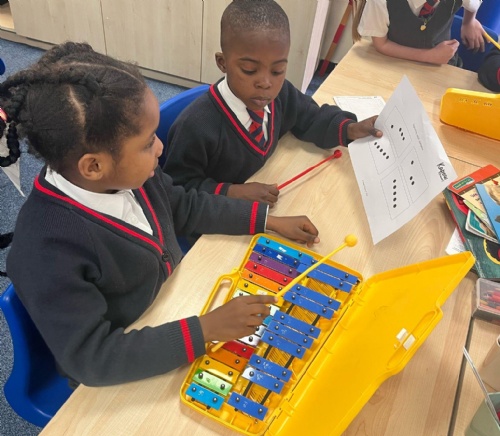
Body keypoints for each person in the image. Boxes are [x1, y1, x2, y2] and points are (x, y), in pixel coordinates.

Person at [1, 41, 321, 387]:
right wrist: (206, 330)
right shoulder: (45, 252)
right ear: (93, 166)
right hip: (128, 362)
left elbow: (183, 205)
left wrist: (265, 220)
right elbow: (92, 358)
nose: (160, 147)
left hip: (173, 305)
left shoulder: (132, 176)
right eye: (147, 143)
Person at [163, 0, 382, 207]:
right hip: (218, 219)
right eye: (249, 70)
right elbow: (178, 192)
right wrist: (232, 192)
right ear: (222, 63)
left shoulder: (281, 94)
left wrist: (349, 129)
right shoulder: (195, 126)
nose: (266, 83)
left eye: (277, 71)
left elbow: (309, 116)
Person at [352, 0, 484, 66]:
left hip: (439, 71)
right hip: (394, 63)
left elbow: (473, 4)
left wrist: (469, 22)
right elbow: (381, 44)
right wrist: (429, 56)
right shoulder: (380, 2)